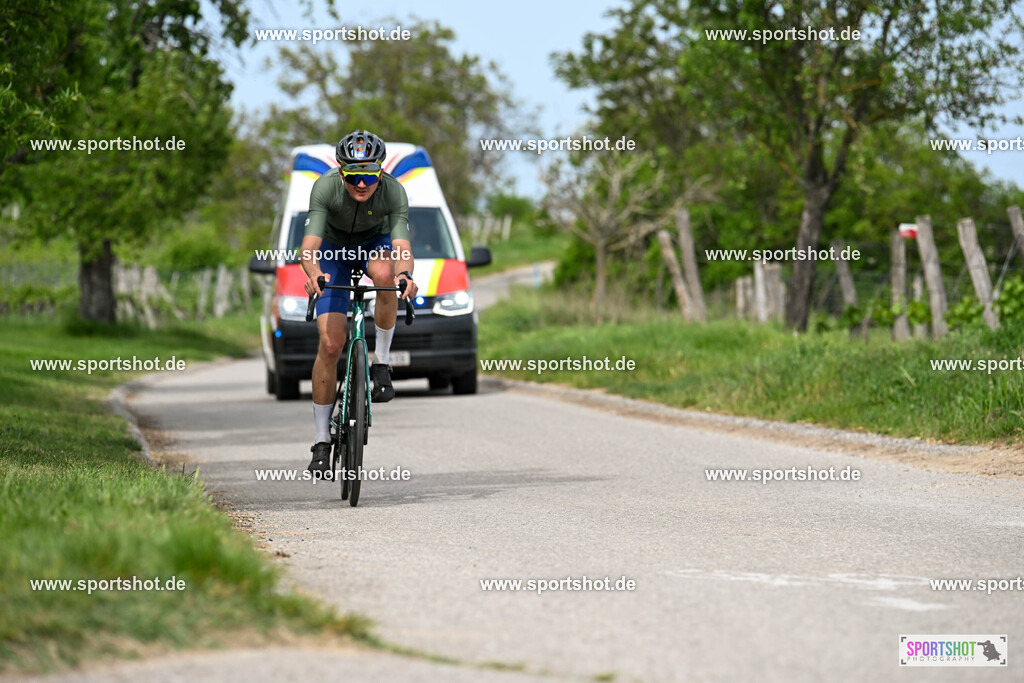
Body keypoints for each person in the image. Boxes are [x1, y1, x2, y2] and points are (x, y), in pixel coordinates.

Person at [299, 130, 419, 476]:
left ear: (381, 173)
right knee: (331, 344)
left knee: (384, 274)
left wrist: (405, 276)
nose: (362, 184)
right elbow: (309, 247)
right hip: (334, 251)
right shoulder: (325, 188)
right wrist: (314, 273)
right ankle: (322, 440)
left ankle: (380, 364)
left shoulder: (394, 191)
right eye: (354, 176)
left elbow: (402, 247)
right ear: (341, 173)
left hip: (374, 244)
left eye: (369, 176)